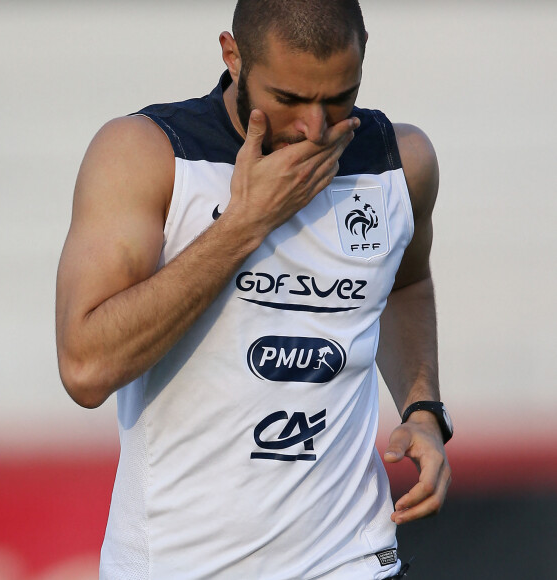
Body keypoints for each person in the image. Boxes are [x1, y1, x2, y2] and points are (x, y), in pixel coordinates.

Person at [56, 1, 452, 578]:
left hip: (353, 558)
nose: (313, 129)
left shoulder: (400, 163)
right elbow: (85, 369)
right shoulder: (146, 153)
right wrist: (245, 224)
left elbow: (407, 282)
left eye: (338, 97)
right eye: (288, 99)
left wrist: (422, 409)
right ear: (232, 56)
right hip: (178, 565)